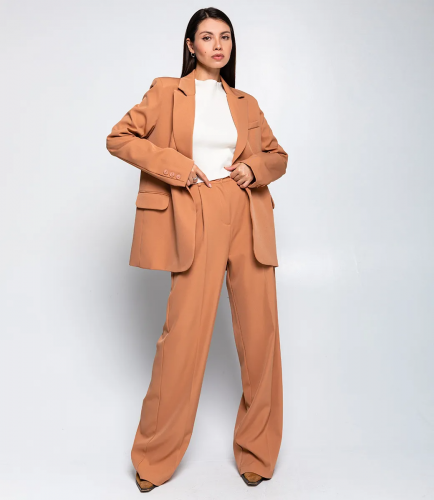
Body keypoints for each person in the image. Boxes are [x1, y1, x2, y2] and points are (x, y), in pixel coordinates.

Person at [106, 7, 288, 493]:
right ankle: (154, 457)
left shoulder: (246, 102)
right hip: (194, 208)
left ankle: (257, 452)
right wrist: (176, 166)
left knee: (261, 337)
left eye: (225, 37)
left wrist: (255, 169)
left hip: (247, 211)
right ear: (191, 45)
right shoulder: (167, 90)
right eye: (207, 37)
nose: (217, 45)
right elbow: (119, 138)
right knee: (182, 337)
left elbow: (277, 156)